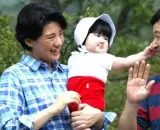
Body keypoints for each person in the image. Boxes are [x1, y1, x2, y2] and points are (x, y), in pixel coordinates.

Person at [0, 2, 115, 130]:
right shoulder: (14, 77)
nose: (59, 42)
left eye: (60, 34)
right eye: (51, 37)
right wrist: (53, 110)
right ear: (29, 41)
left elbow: (93, 122)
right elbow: (7, 127)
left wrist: (98, 118)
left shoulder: (71, 72)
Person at [66, 14, 154, 112]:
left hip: (92, 102)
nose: (102, 41)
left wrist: (143, 54)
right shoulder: (73, 57)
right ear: (83, 36)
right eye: (97, 35)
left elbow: (125, 61)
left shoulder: (103, 58)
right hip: (72, 102)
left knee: (84, 124)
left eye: (106, 38)